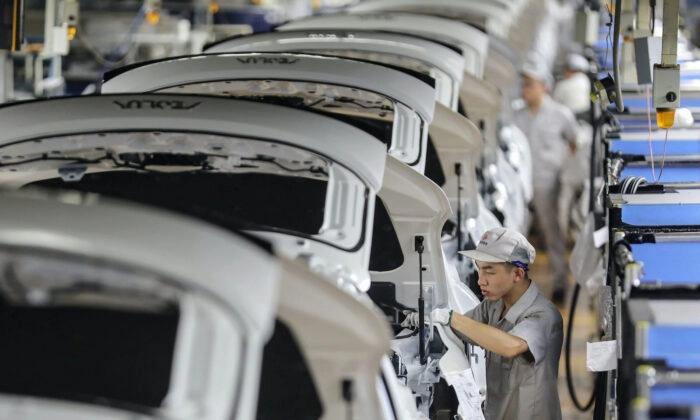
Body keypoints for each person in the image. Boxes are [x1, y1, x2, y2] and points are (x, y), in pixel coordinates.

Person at [403, 227, 564, 420]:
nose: (480, 281)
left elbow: (511, 346)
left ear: (518, 274)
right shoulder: (494, 306)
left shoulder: (544, 315)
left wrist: (451, 317)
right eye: (479, 269)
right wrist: (425, 319)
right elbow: (462, 329)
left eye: (489, 272)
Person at [512, 57, 578, 305]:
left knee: (553, 234)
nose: (525, 90)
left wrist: (566, 178)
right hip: (521, 185)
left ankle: (560, 282)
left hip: (548, 183)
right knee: (517, 236)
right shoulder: (517, 115)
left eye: (530, 85)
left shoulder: (560, 114)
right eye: (523, 85)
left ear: (543, 86)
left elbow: (574, 145)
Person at [553, 53, 593, 239]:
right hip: (588, 143)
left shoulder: (563, 86)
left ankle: (560, 232)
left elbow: (553, 110)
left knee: (565, 191)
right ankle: (580, 235)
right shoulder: (589, 85)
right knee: (585, 195)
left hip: (570, 142)